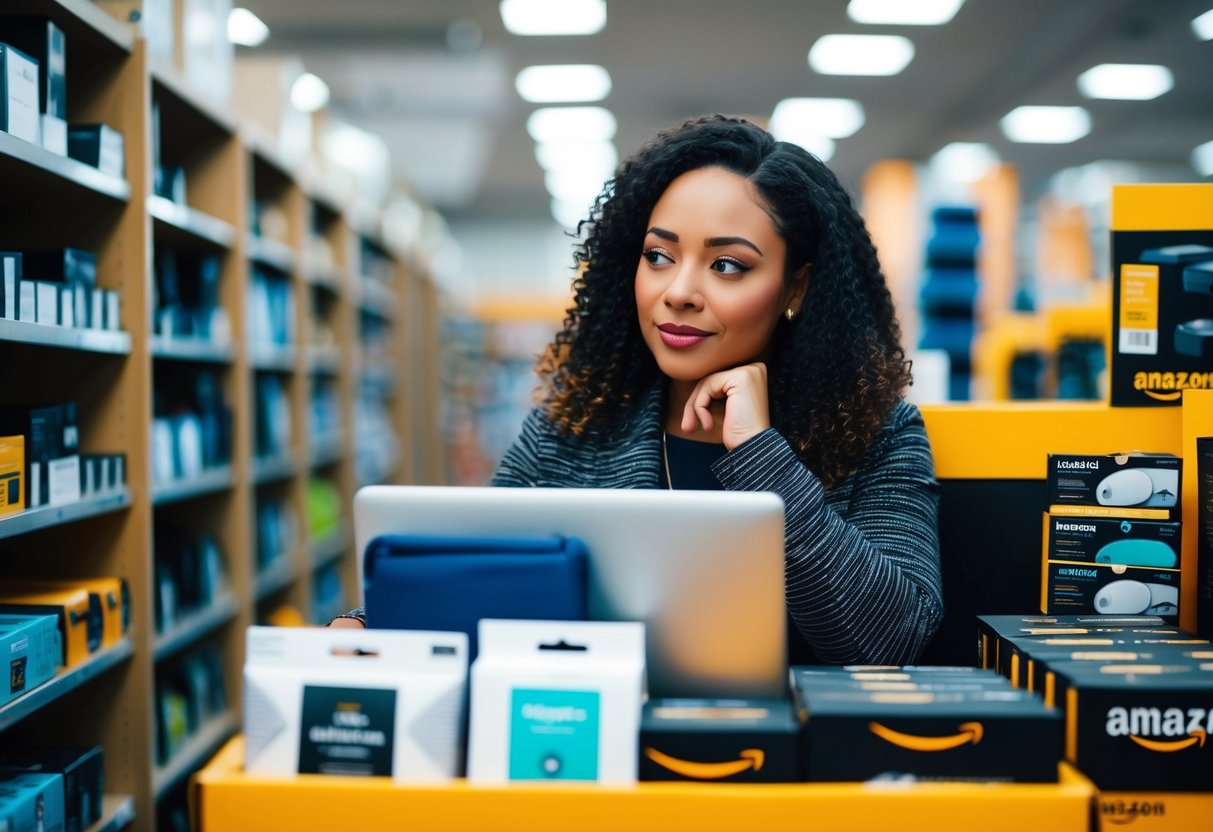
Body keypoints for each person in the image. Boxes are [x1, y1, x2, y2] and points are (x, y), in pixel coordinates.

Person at [332, 114, 943, 666]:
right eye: (659, 256)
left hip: (791, 774)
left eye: (728, 265)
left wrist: (761, 453)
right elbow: (476, 578)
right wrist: (367, 627)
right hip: (595, 760)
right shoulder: (570, 429)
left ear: (796, 288)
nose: (678, 290)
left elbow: (890, 638)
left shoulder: (876, 434)